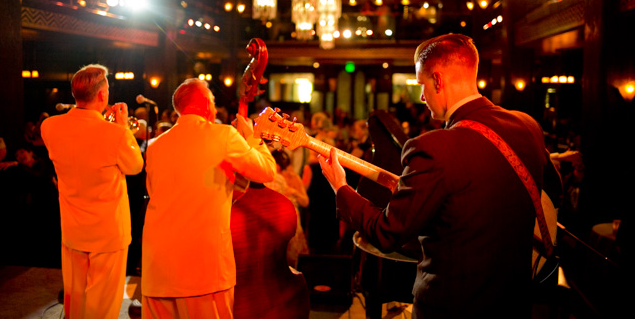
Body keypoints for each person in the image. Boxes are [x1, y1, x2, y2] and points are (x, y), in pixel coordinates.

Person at [318, 34, 563, 319]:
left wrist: (341, 187)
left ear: (438, 80)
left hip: (451, 307)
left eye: (421, 85)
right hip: (515, 303)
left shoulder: (432, 147)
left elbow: (387, 234)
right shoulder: (528, 126)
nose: (422, 97)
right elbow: (544, 191)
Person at [141, 78, 276, 319]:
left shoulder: (154, 146)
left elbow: (156, 193)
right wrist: (252, 136)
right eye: (213, 101)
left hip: (158, 270)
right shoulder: (224, 135)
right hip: (203, 271)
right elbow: (267, 171)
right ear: (205, 104)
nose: (214, 108)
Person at [41, 64, 144, 319]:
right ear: (101, 95)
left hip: (74, 231)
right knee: (103, 304)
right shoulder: (114, 134)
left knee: (76, 299)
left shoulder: (49, 127)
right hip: (108, 234)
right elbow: (135, 166)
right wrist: (121, 128)